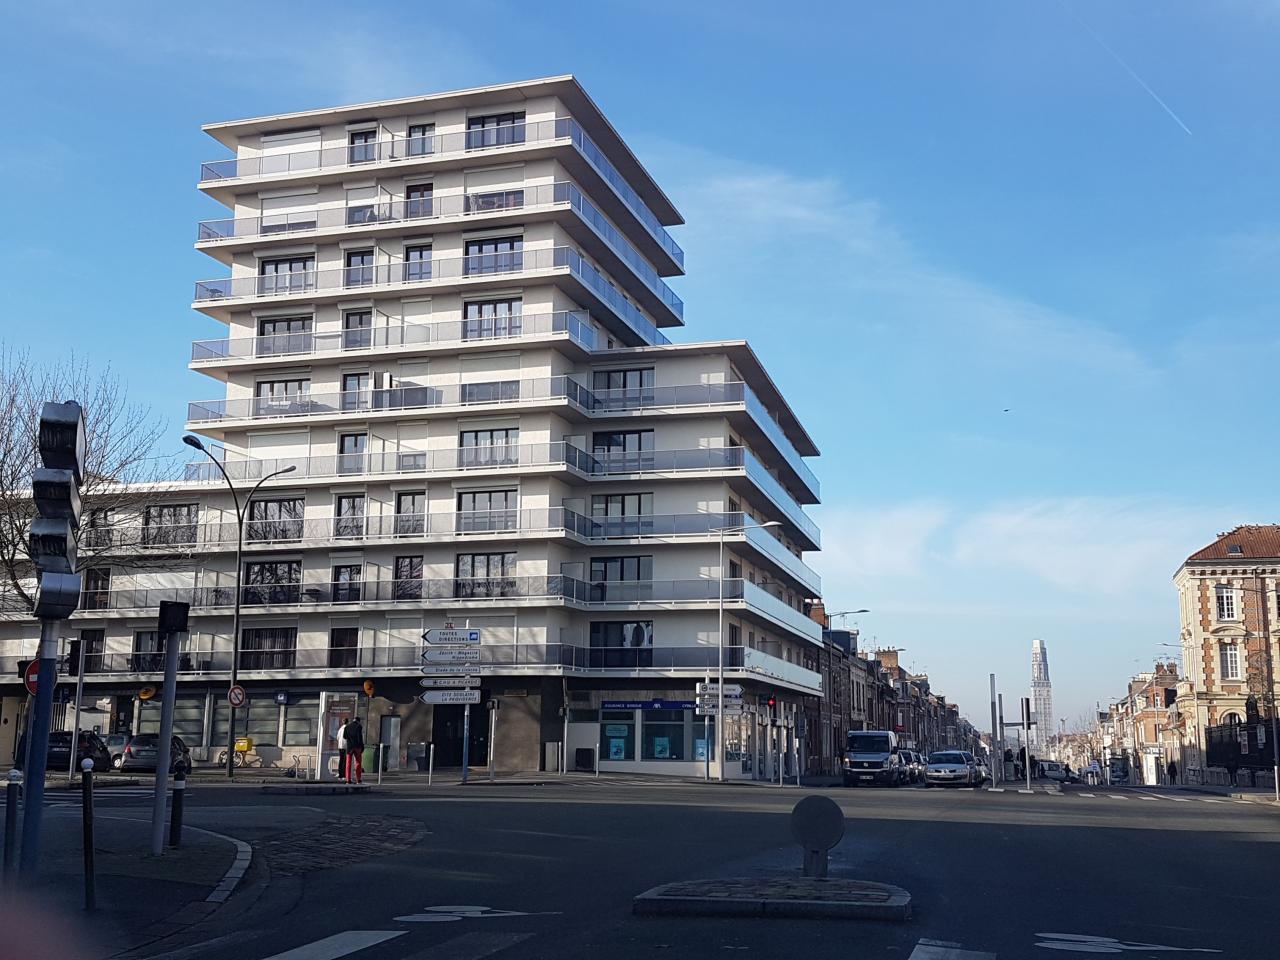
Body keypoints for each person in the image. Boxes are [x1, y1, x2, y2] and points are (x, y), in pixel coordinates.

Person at [345, 716, 365, 784]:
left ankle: (348, 779)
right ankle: (358, 779)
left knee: (348, 763)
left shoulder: (347, 727)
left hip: (349, 747)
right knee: (358, 763)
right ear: (358, 721)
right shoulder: (359, 726)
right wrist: (362, 746)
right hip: (357, 747)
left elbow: (344, 736)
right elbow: (360, 737)